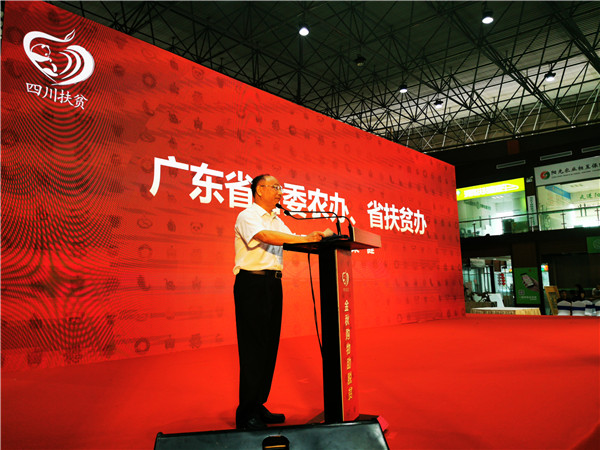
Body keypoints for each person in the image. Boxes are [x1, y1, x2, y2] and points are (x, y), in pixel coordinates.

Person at [233, 174, 326, 430]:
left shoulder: (277, 219)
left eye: (280, 187)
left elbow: (292, 238)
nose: (280, 192)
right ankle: (246, 412)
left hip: (273, 284)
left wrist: (314, 237)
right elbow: (265, 236)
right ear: (259, 190)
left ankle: (258, 404)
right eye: (275, 187)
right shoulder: (248, 215)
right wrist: (305, 238)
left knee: (269, 346)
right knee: (254, 347)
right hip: (252, 284)